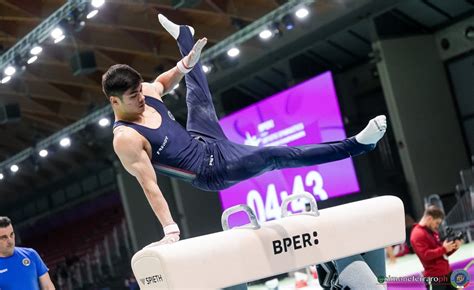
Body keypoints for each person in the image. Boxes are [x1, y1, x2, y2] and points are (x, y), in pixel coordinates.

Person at [103, 14, 388, 246]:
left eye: (140, 91)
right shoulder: (126, 138)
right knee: (274, 155)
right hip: (211, 171)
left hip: (206, 139)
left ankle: (184, 37)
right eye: (133, 97)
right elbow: (149, 186)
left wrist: (182, 66)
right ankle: (359, 145)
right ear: (115, 101)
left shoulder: (147, 93)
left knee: (196, 86)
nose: (141, 97)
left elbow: (162, 84)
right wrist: (170, 230)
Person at [410, 206, 463, 289]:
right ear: (429, 218)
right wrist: (444, 249)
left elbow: (441, 254)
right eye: (437, 223)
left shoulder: (432, 231)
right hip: (435, 279)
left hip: (447, 273)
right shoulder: (417, 234)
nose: (437, 226)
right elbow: (425, 255)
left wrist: (454, 247)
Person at [0, 216, 55, 290]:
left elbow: (48, 287)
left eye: (11, 234)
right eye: (4, 237)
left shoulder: (30, 254)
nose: (10, 241)